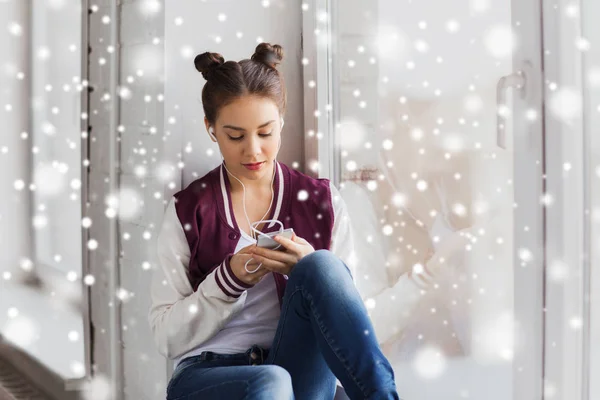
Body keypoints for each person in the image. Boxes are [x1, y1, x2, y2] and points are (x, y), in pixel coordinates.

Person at [148, 43, 400, 400]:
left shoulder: (322, 202)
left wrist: (305, 269)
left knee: (322, 265)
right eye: (235, 136)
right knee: (270, 382)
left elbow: (348, 324)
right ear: (211, 128)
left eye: (265, 133)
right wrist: (228, 279)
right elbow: (164, 336)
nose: (252, 150)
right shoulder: (188, 210)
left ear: (281, 121)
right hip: (207, 376)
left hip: (297, 370)